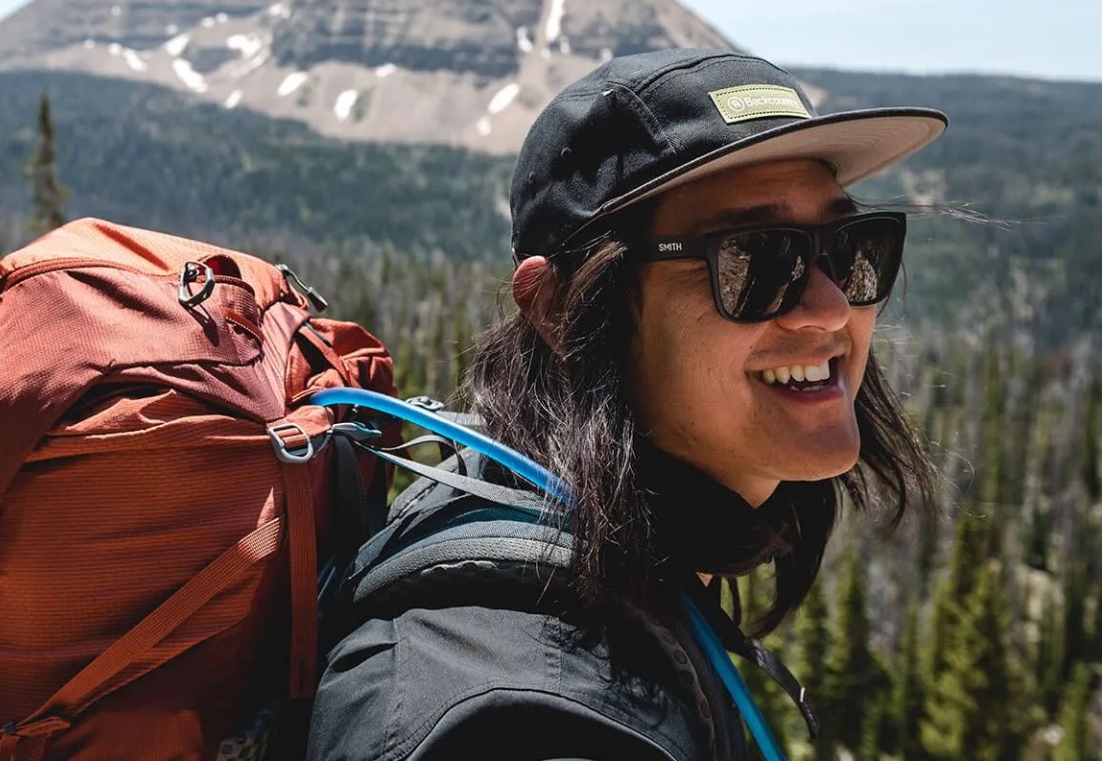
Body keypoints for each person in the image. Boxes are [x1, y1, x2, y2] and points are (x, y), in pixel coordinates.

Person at [306, 47, 947, 760]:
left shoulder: (574, 551)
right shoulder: (524, 718)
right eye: (756, 259)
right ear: (560, 308)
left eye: (849, 248)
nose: (829, 307)